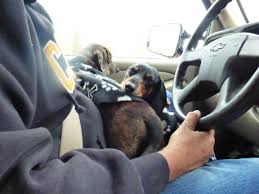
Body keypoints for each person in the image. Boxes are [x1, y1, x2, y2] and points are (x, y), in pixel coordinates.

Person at [0, 1, 259, 194]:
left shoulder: (30, 12)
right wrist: (169, 161)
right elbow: (21, 185)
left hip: (107, 164)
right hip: (116, 179)